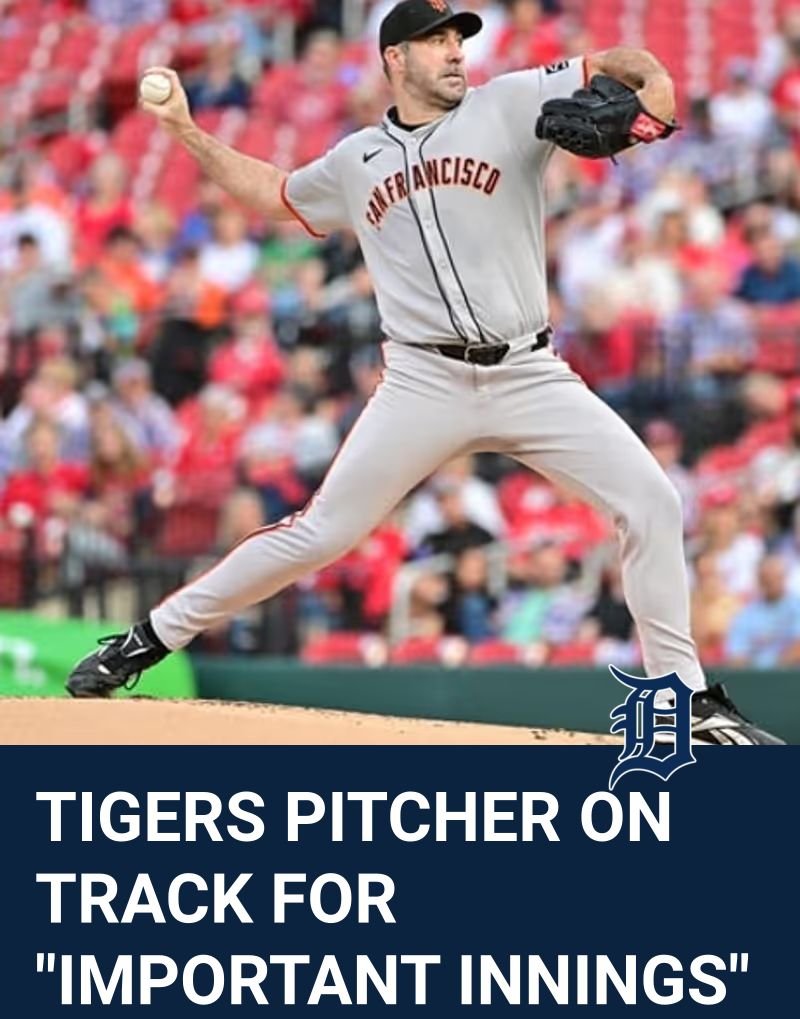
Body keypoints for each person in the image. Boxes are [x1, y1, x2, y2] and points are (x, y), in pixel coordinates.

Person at [65, 0, 783, 744]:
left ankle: (681, 702)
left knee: (652, 502)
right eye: (434, 40)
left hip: (528, 372)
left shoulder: (509, 101)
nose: (454, 51)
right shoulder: (356, 161)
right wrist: (186, 131)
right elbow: (273, 195)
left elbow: (623, 66)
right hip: (422, 383)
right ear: (395, 59)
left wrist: (655, 88)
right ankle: (149, 638)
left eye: (456, 39)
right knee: (319, 532)